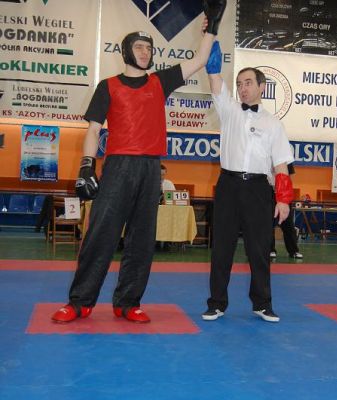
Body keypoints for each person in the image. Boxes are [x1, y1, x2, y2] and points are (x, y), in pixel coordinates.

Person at [51, 0, 227, 323]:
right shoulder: (108, 86)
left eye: (148, 47)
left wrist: (212, 25)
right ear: (126, 52)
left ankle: (128, 302)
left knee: (142, 239)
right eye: (139, 47)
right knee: (101, 234)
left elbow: (201, 59)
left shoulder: (160, 81)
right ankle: (79, 302)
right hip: (118, 166)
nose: (145, 52)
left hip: (150, 169)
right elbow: (93, 130)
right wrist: (86, 166)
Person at [202, 41, 294, 323]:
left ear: (261, 87)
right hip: (228, 186)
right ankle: (217, 303)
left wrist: (283, 199)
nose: (242, 88)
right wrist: (211, 44)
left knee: (259, 249)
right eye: (240, 83)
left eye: (248, 83)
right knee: (222, 248)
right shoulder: (229, 109)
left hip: (258, 189)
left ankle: (262, 303)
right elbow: (215, 79)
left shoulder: (274, 124)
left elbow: (281, 164)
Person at [270, 163, 303, 259]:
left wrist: (286, 194)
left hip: (283, 195)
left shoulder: (286, 160)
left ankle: (294, 251)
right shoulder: (266, 158)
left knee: (288, 225)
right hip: (269, 193)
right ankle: (270, 250)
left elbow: (289, 178)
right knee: (269, 224)